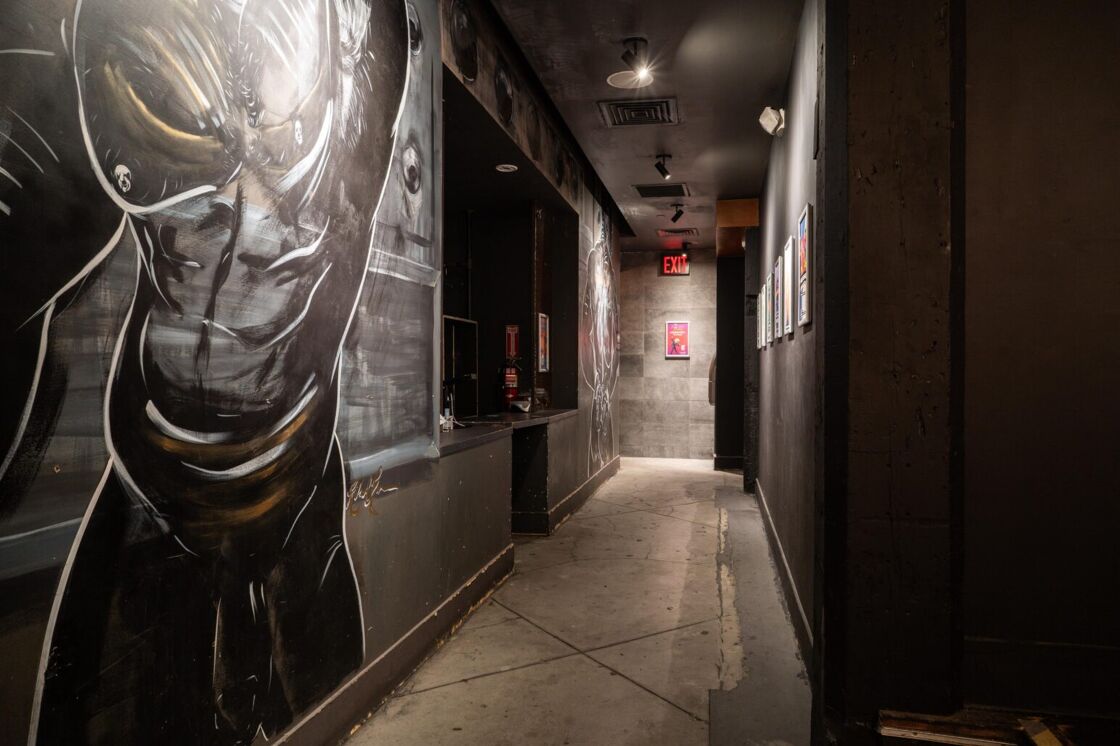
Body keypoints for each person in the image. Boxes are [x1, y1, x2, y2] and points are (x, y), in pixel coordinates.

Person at [0, 1, 410, 742]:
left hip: (288, 477)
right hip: (163, 483)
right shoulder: (105, 61)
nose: (237, 211)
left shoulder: (361, 47)